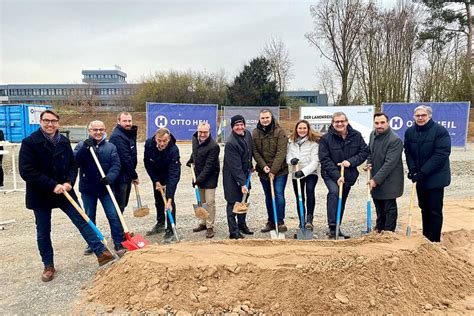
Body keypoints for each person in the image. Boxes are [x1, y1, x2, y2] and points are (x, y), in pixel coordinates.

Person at [19, 110, 114, 282]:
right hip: (41, 193)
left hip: (64, 190)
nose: (50, 124)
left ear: (58, 123)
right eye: (46, 121)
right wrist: (51, 185)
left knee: (82, 220)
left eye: (53, 121)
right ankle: (48, 265)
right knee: (43, 231)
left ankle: (102, 253)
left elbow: (72, 164)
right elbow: (26, 171)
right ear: (40, 122)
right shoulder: (29, 142)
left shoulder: (63, 141)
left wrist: (70, 182)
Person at [74, 120, 125, 256]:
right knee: (89, 216)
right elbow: (75, 162)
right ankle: (93, 243)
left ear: (104, 130)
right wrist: (85, 148)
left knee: (113, 216)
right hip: (88, 189)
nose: (98, 132)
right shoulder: (81, 146)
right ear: (89, 131)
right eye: (95, 130)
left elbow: (116, 165)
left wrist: (110, 177)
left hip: (105, 188)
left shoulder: (111, 147)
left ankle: (118, 242)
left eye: (101, 130)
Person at [318, 112, 369, 239]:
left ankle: (337, 227)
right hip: (330, 174)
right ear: (332, 123)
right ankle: (332, 227)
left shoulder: (356, 135)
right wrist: (336, 176)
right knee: (334, 192)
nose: (339, 124)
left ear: (346, 122)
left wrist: (350, 162)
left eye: (342, 121)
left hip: (349, 174)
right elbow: (324, 159)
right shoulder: (325, 139)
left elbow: (364, 152)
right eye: (336, 122)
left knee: (342, 199)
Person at [404, 105, 451, 242]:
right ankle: (426, 238)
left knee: (434, 210)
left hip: (436, 177)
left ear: (429, 116)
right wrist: (412, 169)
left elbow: (441, 154)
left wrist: (423, 172)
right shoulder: (410, 132)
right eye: (417, 115)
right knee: (424, 208)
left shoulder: (440, 131)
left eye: (423, 115)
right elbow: (408, 152)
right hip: (420, 177)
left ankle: (435, 240)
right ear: (414, 117)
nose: (420, 118)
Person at [252, 109, 289, 233]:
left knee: (278, 195)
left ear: (271, 117)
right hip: (264, 172)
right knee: (268, 196)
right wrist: (263, 166)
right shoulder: (255, 133)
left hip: (280, 171)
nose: (265, 120)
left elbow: (281, 152)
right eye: (262, 118)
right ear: (259, 119)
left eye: (267, 117)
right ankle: (271, 222)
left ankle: (280, 221)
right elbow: (255, 152)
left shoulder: (280, 132)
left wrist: (273, 170)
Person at [366, 113, 404, 232]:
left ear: (388, 122)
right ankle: (379, 227)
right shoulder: (373, 135)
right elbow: (370, 152)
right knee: (378, 203)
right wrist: (369, 163)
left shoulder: (395, 140)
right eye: (377, 123)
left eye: (382, 123)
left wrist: (376, 180)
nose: (379, 126)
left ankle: (388, 232)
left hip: (390, 179)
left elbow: (389, 164)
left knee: (389, 206)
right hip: (376, 176)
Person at [144, 127, 181, 240]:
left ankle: (170, 228)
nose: (162, 143)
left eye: (164, 141)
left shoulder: (173, 150)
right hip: (157, 174)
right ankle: (160, 223)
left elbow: (173, 175)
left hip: (169, 174)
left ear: (168, 139)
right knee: (158, 200)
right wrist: (155, 181)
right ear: (155, 138)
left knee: (169, 202)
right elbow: (147, 163)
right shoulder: (149, 144)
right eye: (159, 140)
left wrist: (169, 199)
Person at [186, 122, 220, 238]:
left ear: (209, 132)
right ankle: (203, 223)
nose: (202, 134)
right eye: (200, 131)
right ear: (197, 131)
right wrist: (190, 160)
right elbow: (195, 152)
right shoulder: (195, 139)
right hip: (198, 176)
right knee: (201, 201)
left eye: (205, 132)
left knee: (209, 202)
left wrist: (198, 180)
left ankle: (210, 226)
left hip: (210, 177)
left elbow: (209, 166)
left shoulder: (214, 146)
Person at [223, 115, 253, 239]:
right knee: (232, 202)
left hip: (245, 174)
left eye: (241, 125)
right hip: (232, 177)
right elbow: (235, 166)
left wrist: (251, 166)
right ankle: (233, 231)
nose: (240, 127)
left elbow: (249, 152)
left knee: (243, 200)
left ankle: (242, 225)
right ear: (232, 127)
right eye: (236, 125)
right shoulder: (231, 143)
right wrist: (242, 183)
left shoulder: (247, 135)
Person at [286, 120, 320, 231]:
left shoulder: (313, 142)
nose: (302, 130)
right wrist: (291, 161)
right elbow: (288, 156)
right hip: (296, 172)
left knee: (310, 191)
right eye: (300, 128)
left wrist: (304, 172)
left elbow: (315, 161)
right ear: (296, 129)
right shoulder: (291, 141)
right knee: (299, 197)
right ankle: (301, 220)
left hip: (310, 172)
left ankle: (309, 220)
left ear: (308, 129)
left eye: (304, 128)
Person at [109, 112, 139, 213]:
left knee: (123, 204)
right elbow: (125, 159)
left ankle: (120, 228)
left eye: (129, 121)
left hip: (126, 176)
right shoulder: (118, 136)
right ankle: (118, 228)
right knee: (119, 205)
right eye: (125, 121)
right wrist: (134, 175)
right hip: (120, 177)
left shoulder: (128, 134)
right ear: (118, 121)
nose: (128, 123)